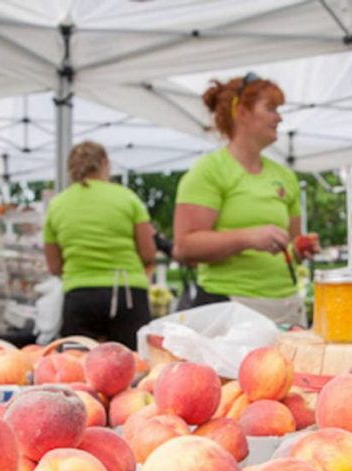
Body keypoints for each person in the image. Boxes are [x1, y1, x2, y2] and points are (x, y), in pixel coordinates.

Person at [173, 73, 317, 327]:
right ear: (241, 111)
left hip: (286, 305)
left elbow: (291, 248)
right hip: (229, 305)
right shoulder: (210, 170)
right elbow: (184, 247)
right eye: (271, 108)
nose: (279, 117)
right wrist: (249, 237)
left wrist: (301, 247)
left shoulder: (285, 176)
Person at [43, 141, 156, 348]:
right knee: (134, 368)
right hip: (126, 293)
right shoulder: (127, 198)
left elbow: (54, 267)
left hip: (80, 295)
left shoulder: (57, 205)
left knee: (78, 367)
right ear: (105, 163)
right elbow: (148, 253)